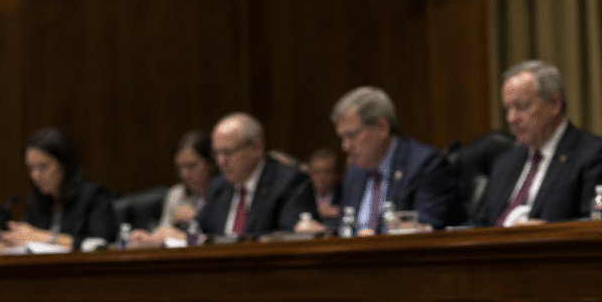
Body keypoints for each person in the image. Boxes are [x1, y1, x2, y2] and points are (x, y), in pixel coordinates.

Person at [471, 60, 602, 226]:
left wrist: (546, 231)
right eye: (508, 109)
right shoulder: (505, 163)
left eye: (521, 106)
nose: (511, 119)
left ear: (555, 104)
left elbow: (599, 224)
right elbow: (480, 223)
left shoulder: (596, 156)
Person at [328, 86, 462, 234]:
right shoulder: (354, 172)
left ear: (382, 127)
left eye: (352, 135)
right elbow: (341, 228)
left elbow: (427, 228)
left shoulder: (426, 165)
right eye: (342, 138)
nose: (345, 146)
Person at [0, 127, 116, 252]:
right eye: (31, 168)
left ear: (64, 164)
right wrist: (7, 243)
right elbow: (25, 238)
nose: (35, 176)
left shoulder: (93, 196)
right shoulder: (35, 202)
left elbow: (100, 244)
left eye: (43, 166)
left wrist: (41, 237)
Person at [195, 112, 316, 238]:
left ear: (257, 148)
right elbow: (197, 229)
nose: (221, 161)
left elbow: (289, 239)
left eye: (228, 152)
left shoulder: (290, 182)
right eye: (216, 153)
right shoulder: (218, 186)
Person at [127, 130, 217, 248]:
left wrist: (197, 218)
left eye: (191, 165)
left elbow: (221, 238)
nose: (185, 174)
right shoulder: (177, 194)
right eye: (180, 167)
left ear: (210, 163)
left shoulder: (225, 193)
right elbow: (164, 231)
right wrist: (149, 238)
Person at [308, 148, 342, 228]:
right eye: (317, 172)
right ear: (309, 173)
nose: (321, 178)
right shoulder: (301, 196)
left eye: (327, 172)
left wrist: (339, 212)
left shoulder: (347, 194)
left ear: (336, 174)